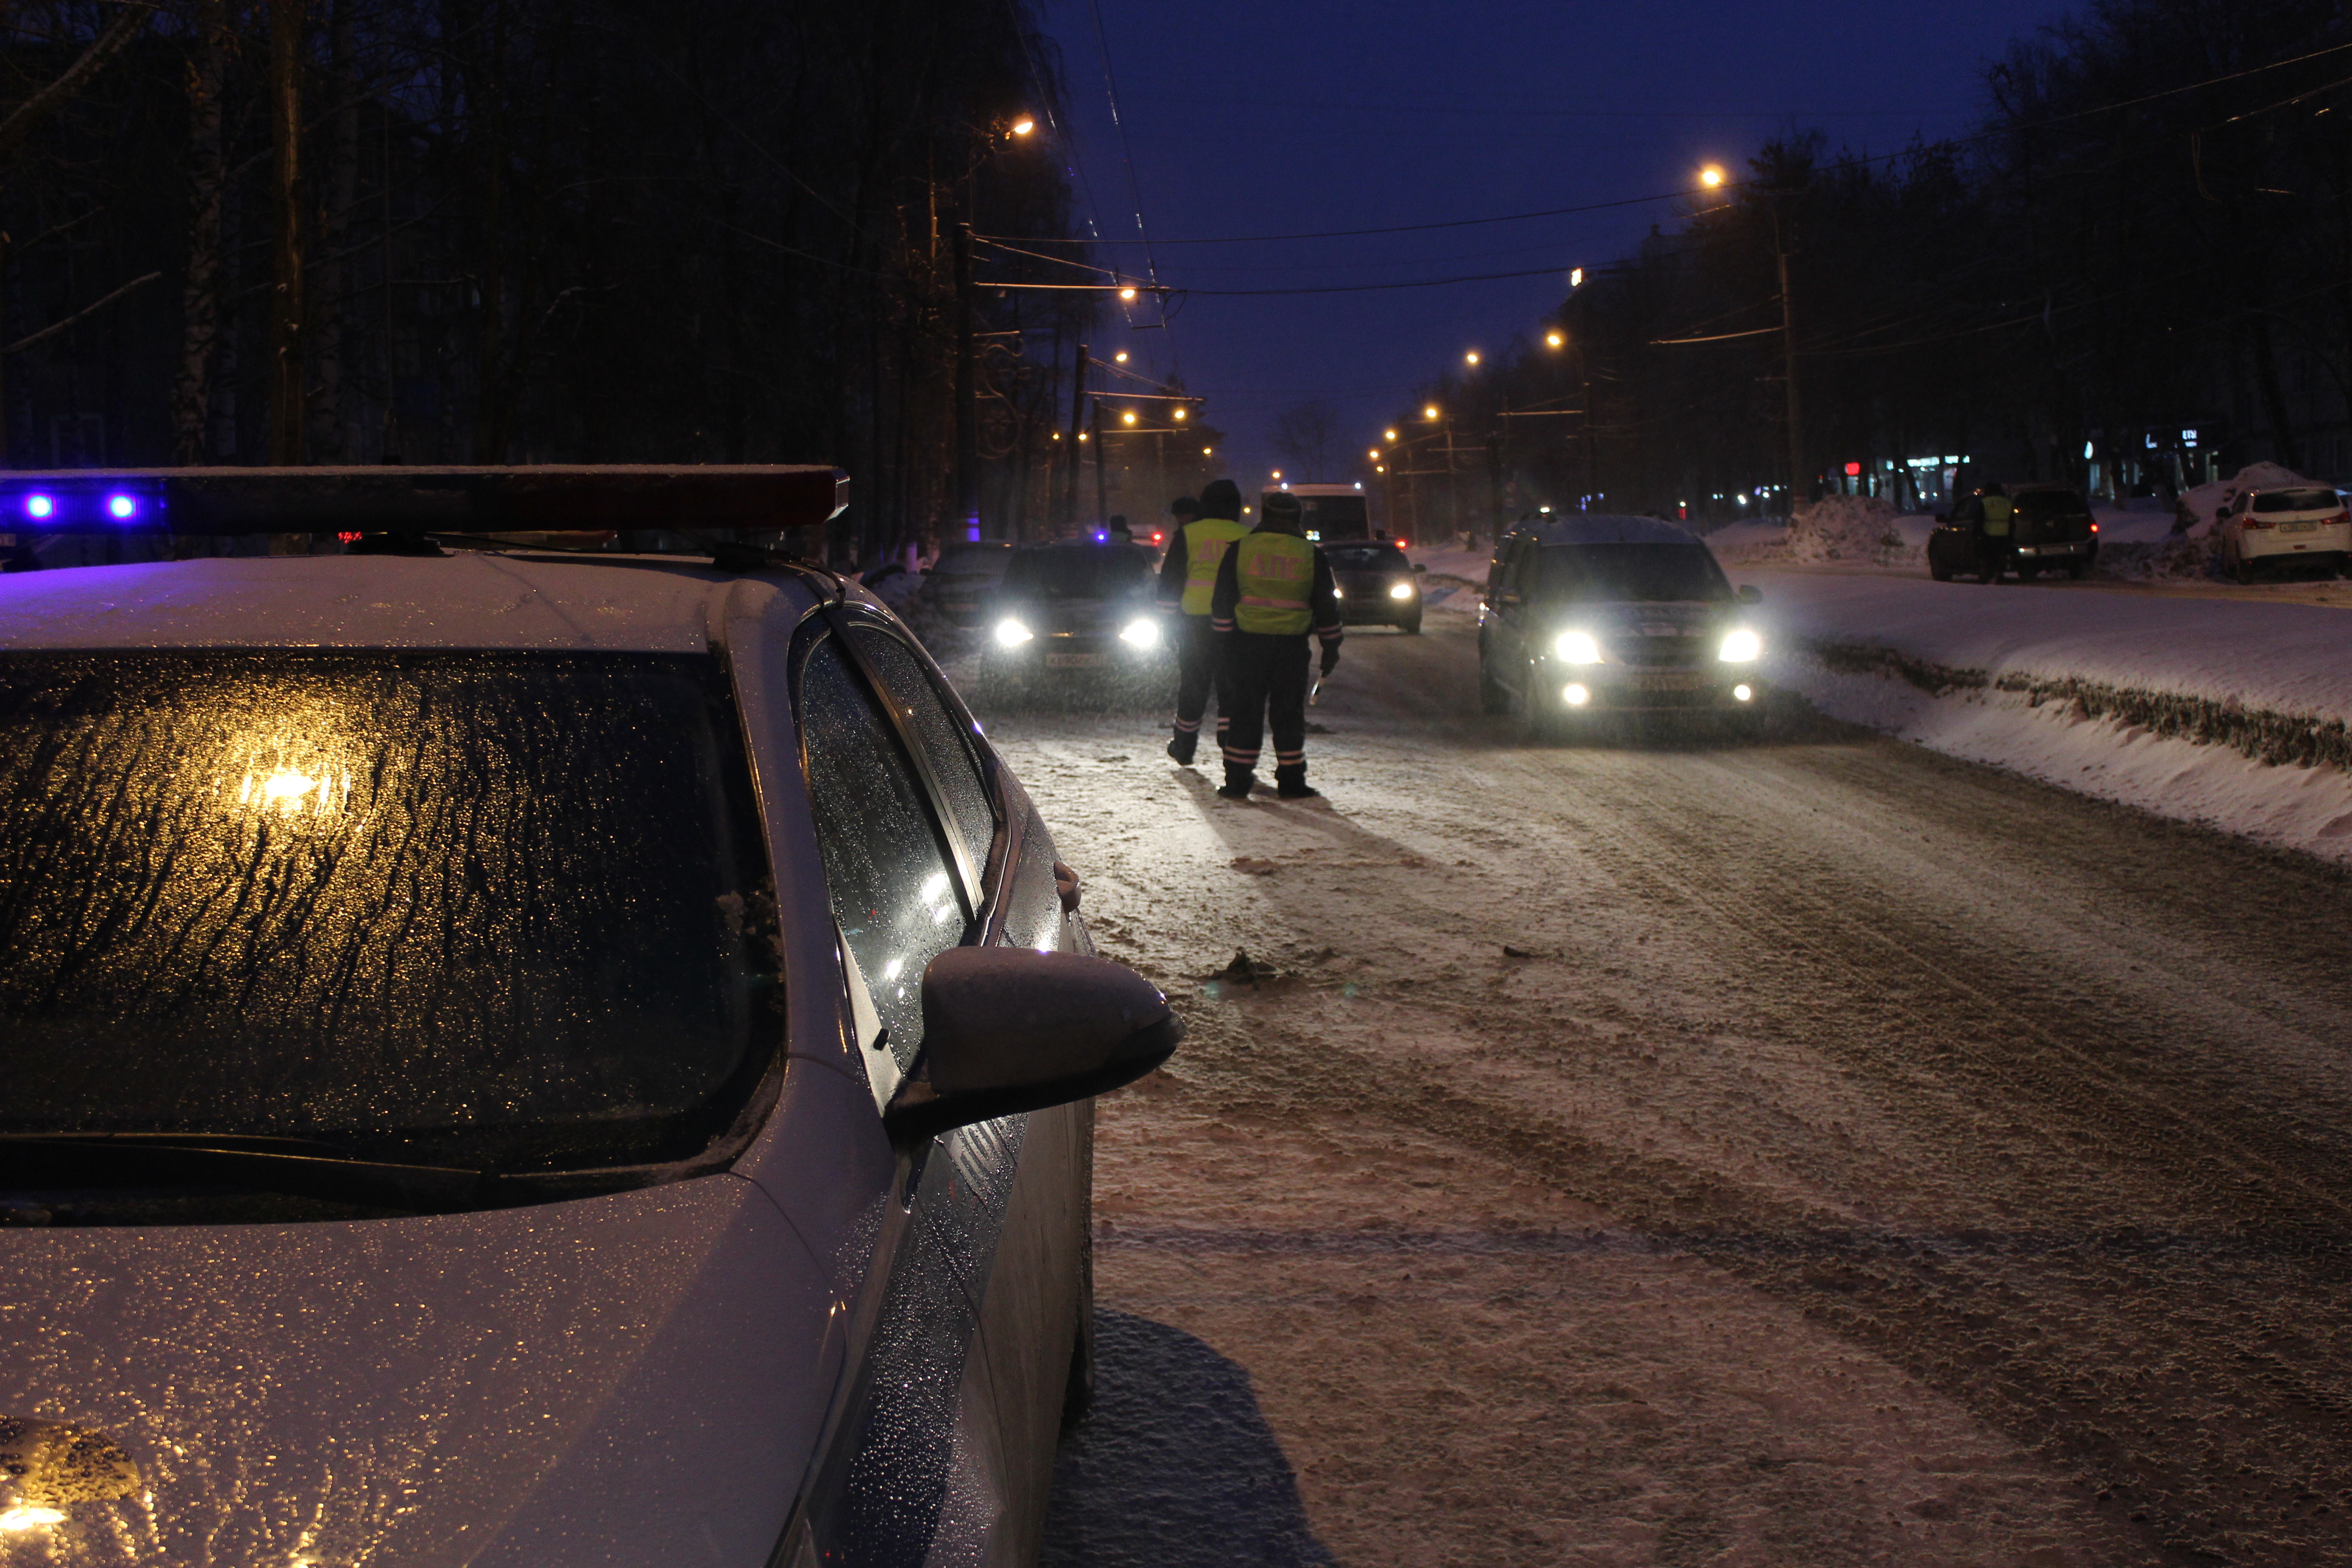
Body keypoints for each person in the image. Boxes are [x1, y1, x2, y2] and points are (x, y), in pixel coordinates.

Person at [1209, 490, 1342, 800]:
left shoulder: (1242, 549)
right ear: (1298, 520)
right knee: (1289, 713)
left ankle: (1238, 781)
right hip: (1291, 648)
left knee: (1245, 711)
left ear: (1263, 516)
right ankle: (1292, 780)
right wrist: (1331, 646)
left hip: (1246, 644)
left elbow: (1223, 600)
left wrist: (1224, 642)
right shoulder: (1312, 555)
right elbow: (1326, 606)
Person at [1155, 480, 1249, 764]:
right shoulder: (1248, 536)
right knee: (1231, 684)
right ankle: (1229, 742)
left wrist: (1167, 625)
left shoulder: (1189, 535)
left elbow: (1171, 583)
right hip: (1236, 624)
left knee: (1194, 683)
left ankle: (1184, 746)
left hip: (1195, 622)